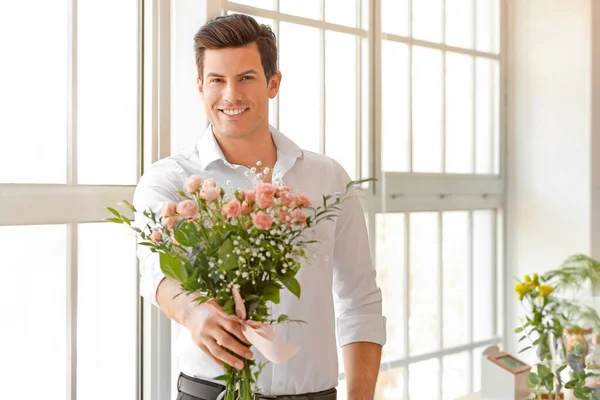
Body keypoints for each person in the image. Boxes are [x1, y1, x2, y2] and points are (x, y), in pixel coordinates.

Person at [133, 13, 386, 400]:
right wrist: (193, 312)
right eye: (217, 80)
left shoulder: (328, 179)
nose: (230, 95)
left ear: (273, 83)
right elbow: (154, 272)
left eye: (246, 77)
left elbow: (360, 298)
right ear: (200, 86)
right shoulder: (168, 180)